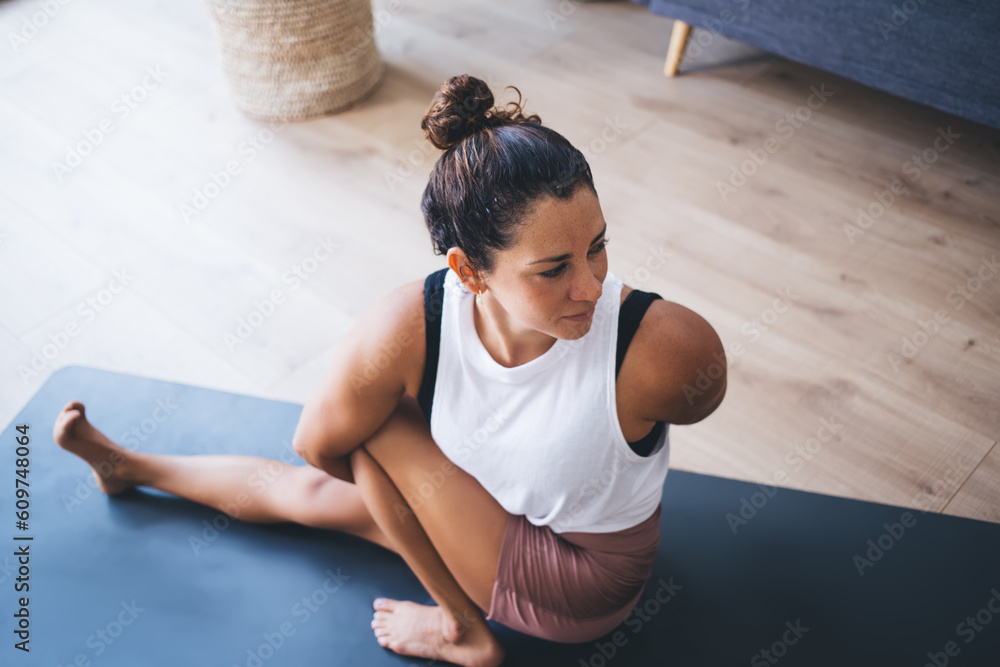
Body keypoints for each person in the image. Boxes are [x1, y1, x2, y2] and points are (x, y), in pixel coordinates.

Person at [53, 74, 726, 667]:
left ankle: (464, 629)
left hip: (582, 582)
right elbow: (311, 453)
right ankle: (128, 464)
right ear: (468, 270)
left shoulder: (657, 345)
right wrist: (417, 505)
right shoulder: (418, 320)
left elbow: (331, 440)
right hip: (493, 510)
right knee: (309, 495)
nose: (591, 286)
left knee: (371, 430)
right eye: (554, 268)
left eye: (598, 246)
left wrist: (413, 499)